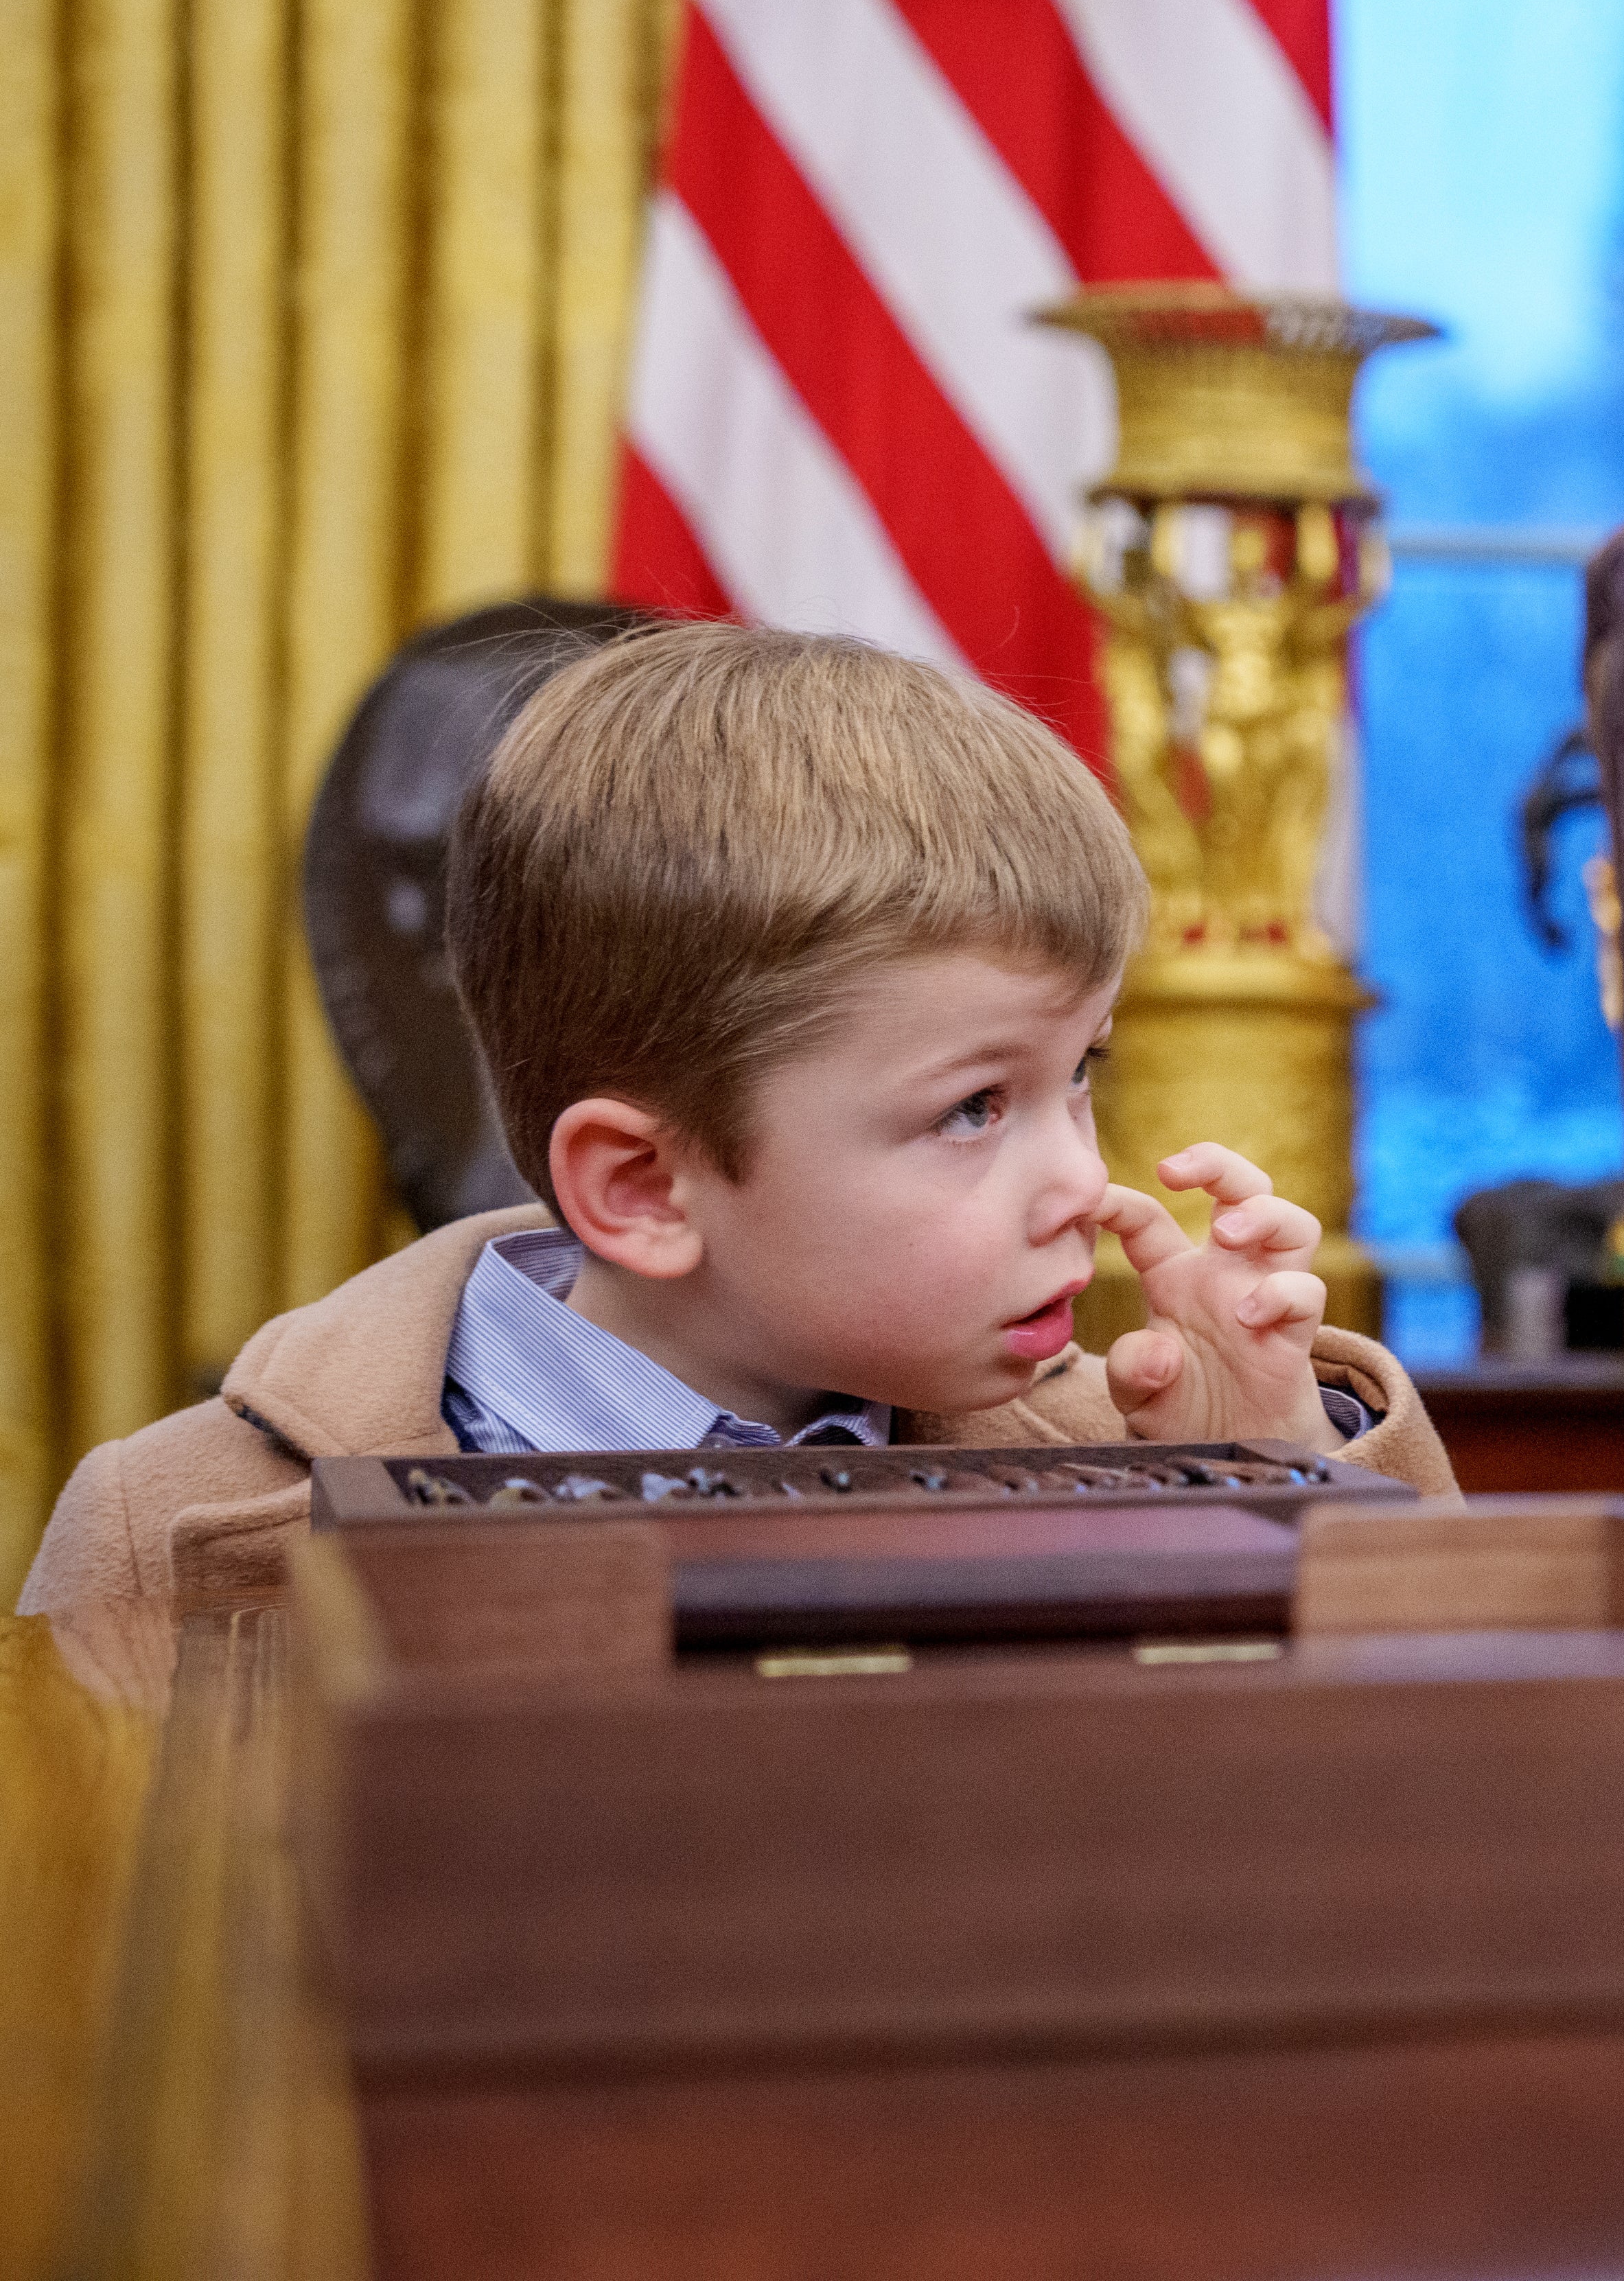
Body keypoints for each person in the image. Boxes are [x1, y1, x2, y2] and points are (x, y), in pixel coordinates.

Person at [19, 622, 1456, 1703]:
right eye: (974, 1108)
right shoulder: (165, 1525)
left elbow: (1451, 1823)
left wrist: (1265, 1485)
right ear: (645, 1188)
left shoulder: (1111, 1448)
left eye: (1077, 1077)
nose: (1084, 1179)